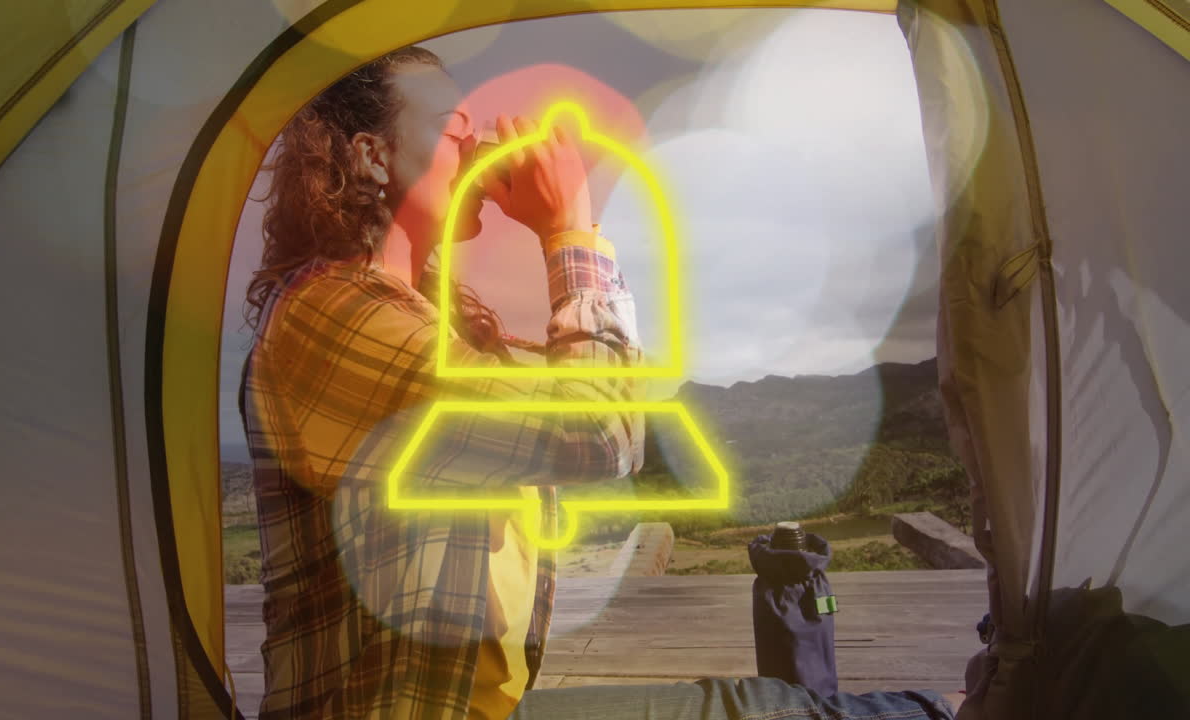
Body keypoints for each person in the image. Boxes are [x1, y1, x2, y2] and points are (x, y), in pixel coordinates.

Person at [239, 45, 956, 720]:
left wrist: (571, 235)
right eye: (455, 127)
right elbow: (595, 434)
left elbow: (617, 399)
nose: (479, 141)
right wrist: (567, 232)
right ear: (372, 156)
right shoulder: (329, 317)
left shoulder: (431, 323)